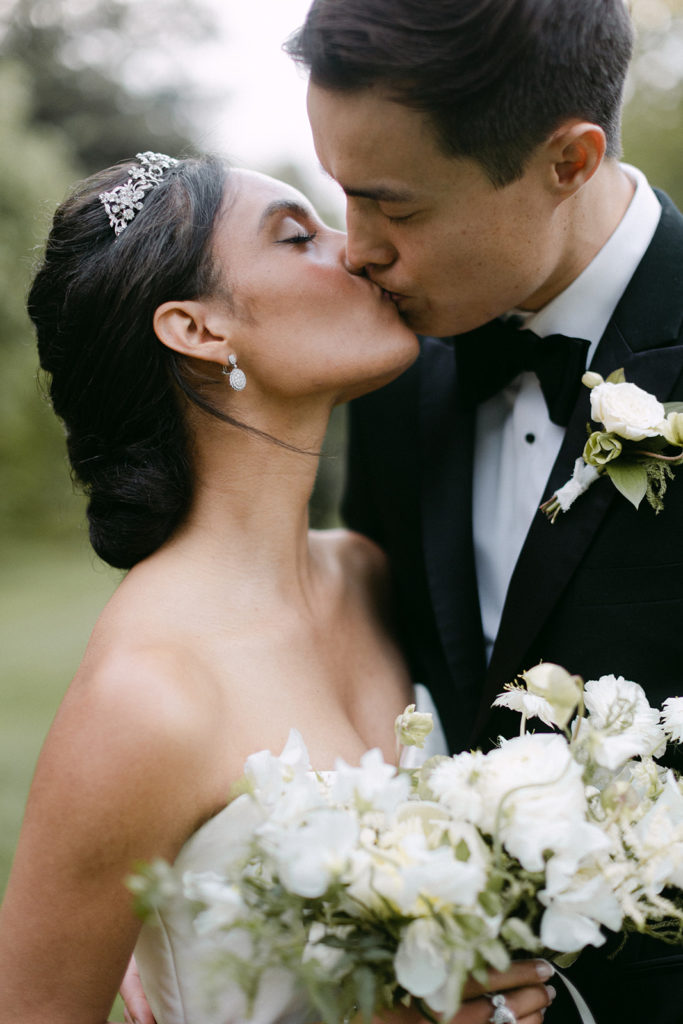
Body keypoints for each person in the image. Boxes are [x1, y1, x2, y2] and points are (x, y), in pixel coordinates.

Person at [0, 154, 555, 1024]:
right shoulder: (148, 696)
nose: (359, 253)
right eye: (299, 236)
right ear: (199, 329)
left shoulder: (366, 575)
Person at [285, 1, 683, 1022]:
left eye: (395, 208)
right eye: (341, 195)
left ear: (567, 160)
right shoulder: (385, 365)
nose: (354, 251)